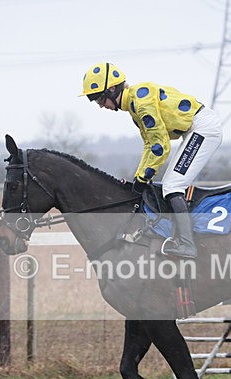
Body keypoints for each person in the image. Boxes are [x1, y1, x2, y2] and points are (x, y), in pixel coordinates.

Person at [80, 62, 223, 259]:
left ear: (112, 89)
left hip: (203, 128)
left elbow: (160, 146)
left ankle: (188, 244)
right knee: (169, 184)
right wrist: (139, 178)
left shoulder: (141, 102)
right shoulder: (134, 105)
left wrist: (142, 179)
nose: (101, 106)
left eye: (100, 99)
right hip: (193, 129)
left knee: (173, 186)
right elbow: (149, 146)